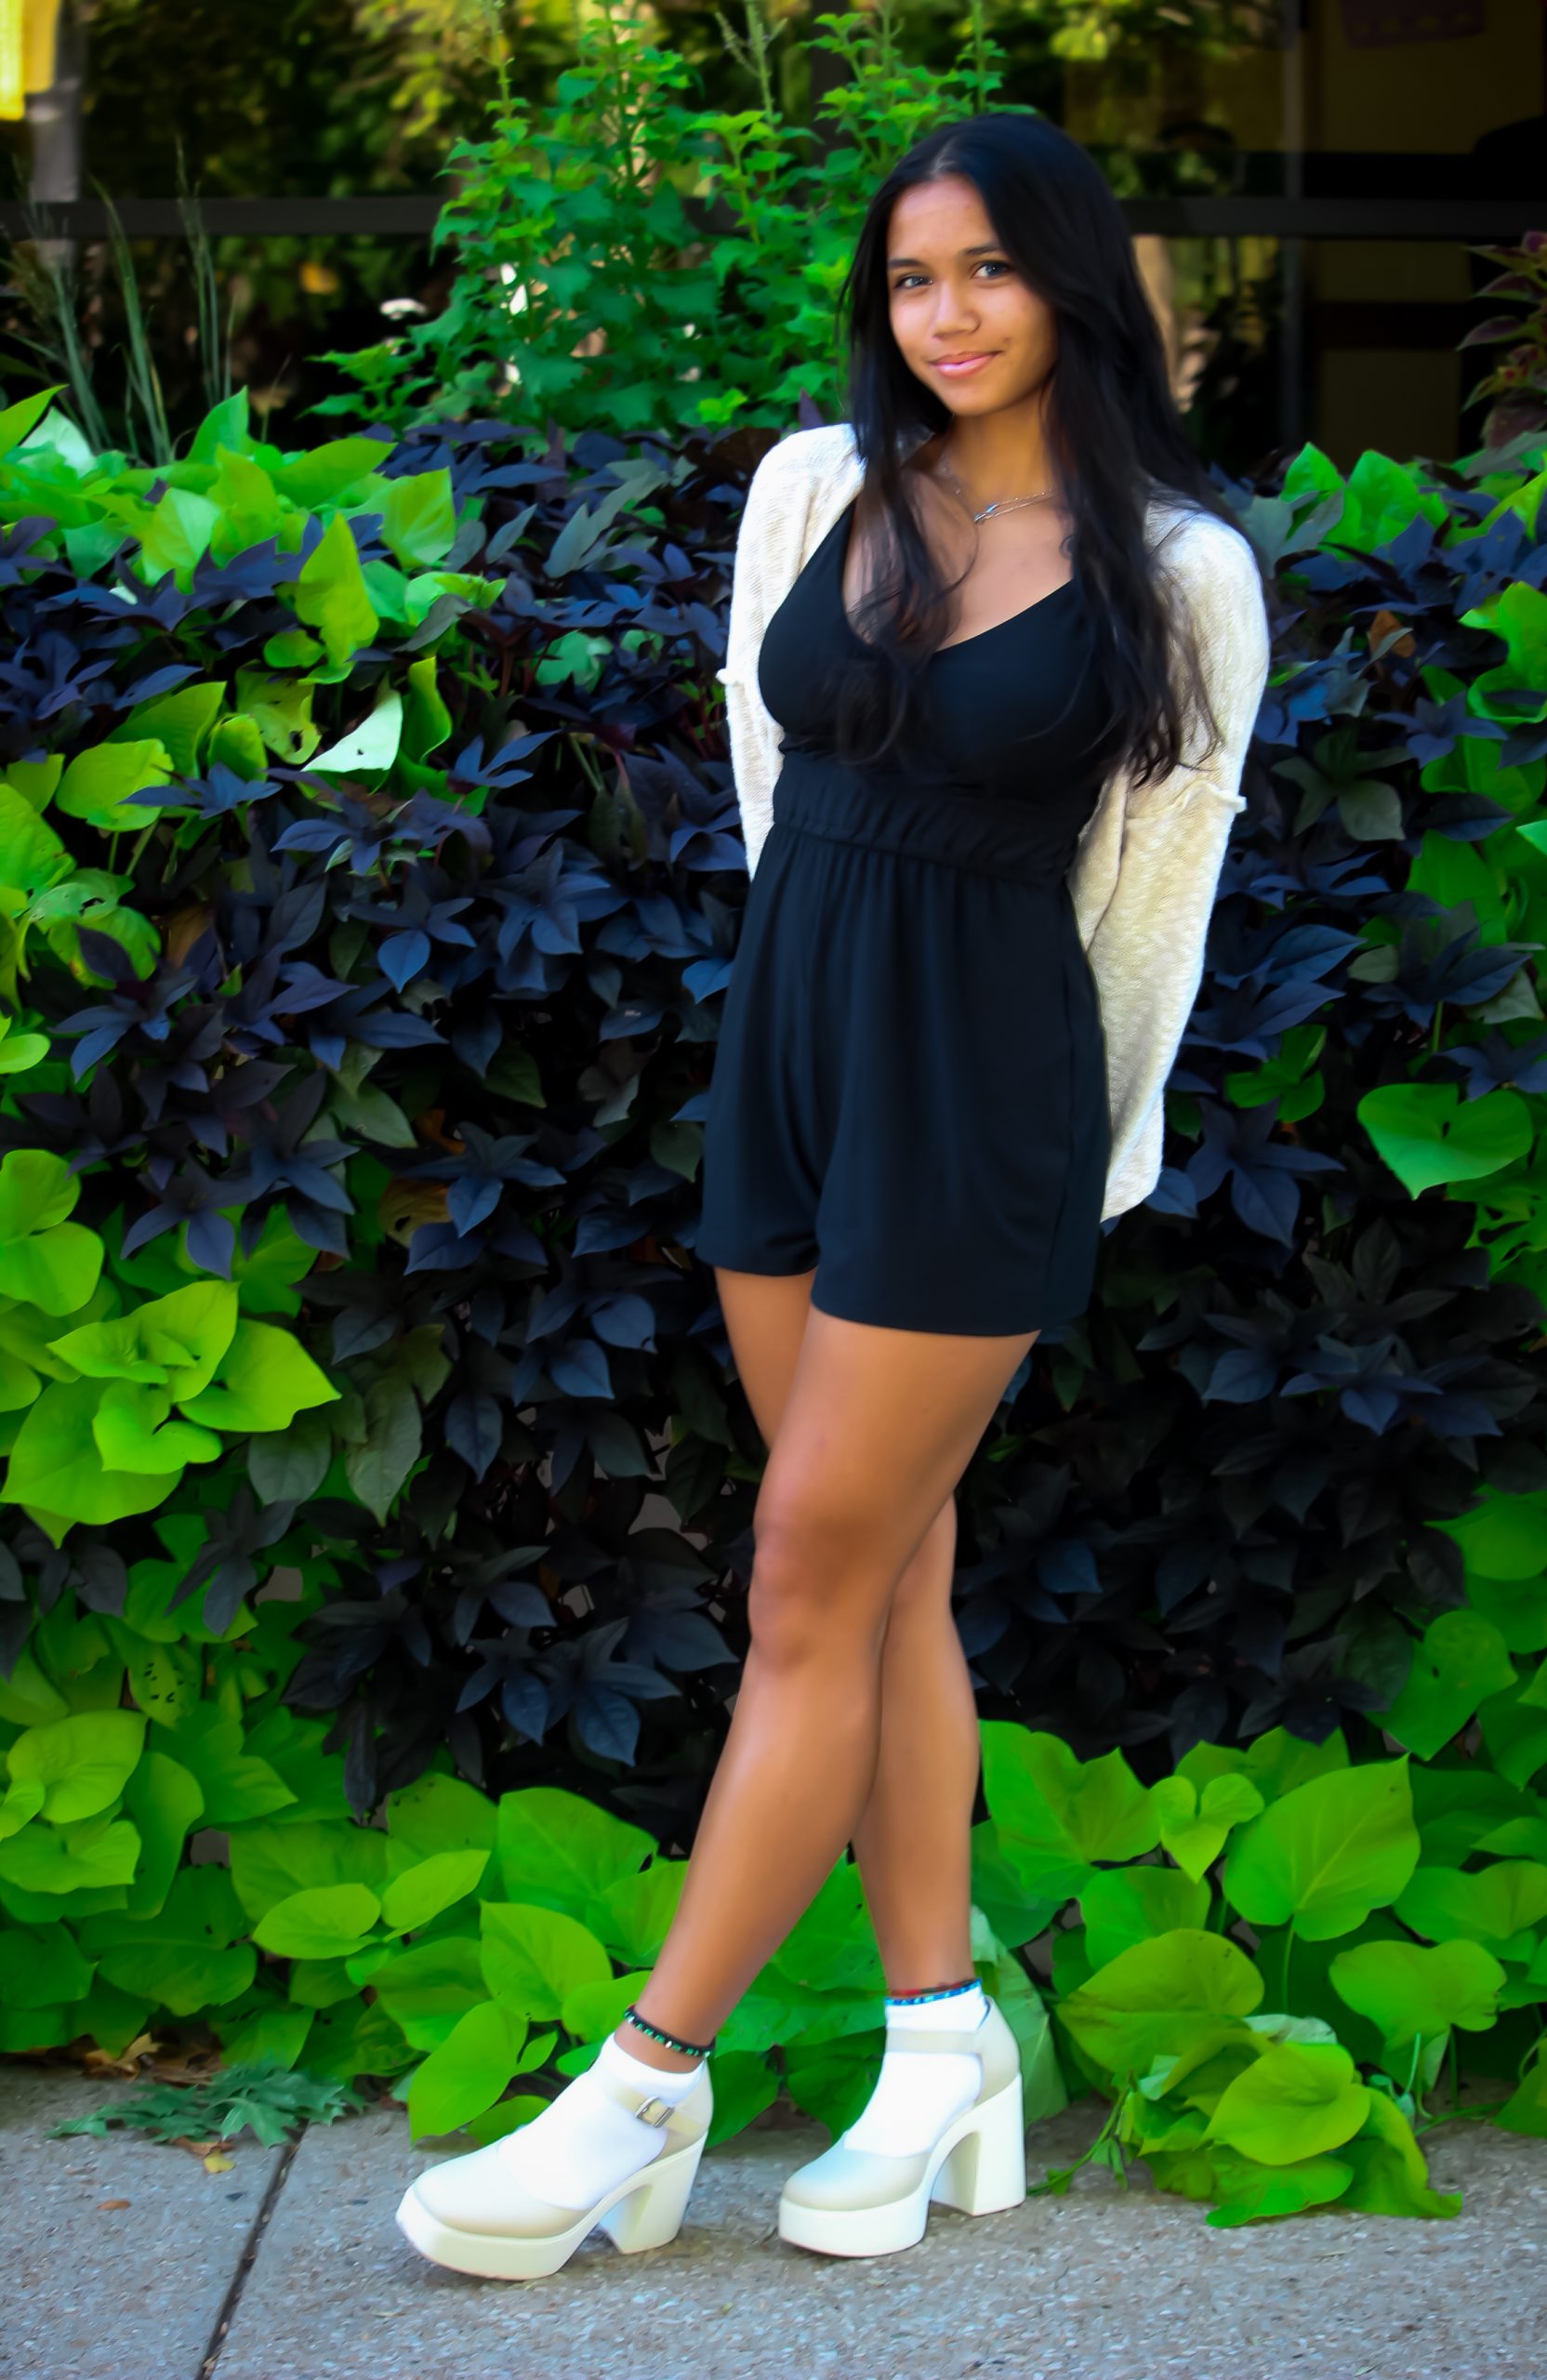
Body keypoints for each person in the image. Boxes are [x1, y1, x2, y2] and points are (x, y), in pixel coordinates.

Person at [397, 108, 1272, 2282]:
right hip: (791, 1057)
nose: (943, 313)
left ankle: (642, 2083)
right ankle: (938, 2046)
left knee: (805, 1567)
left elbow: (1147, 908)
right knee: (884, 1577)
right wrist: (790, 1023)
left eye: (985, 268)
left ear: (1069, 280)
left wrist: (1070, 1163)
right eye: (908, 276)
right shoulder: (818, 486)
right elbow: (778, 781)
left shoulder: (1178, 569)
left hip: (978, 1095)